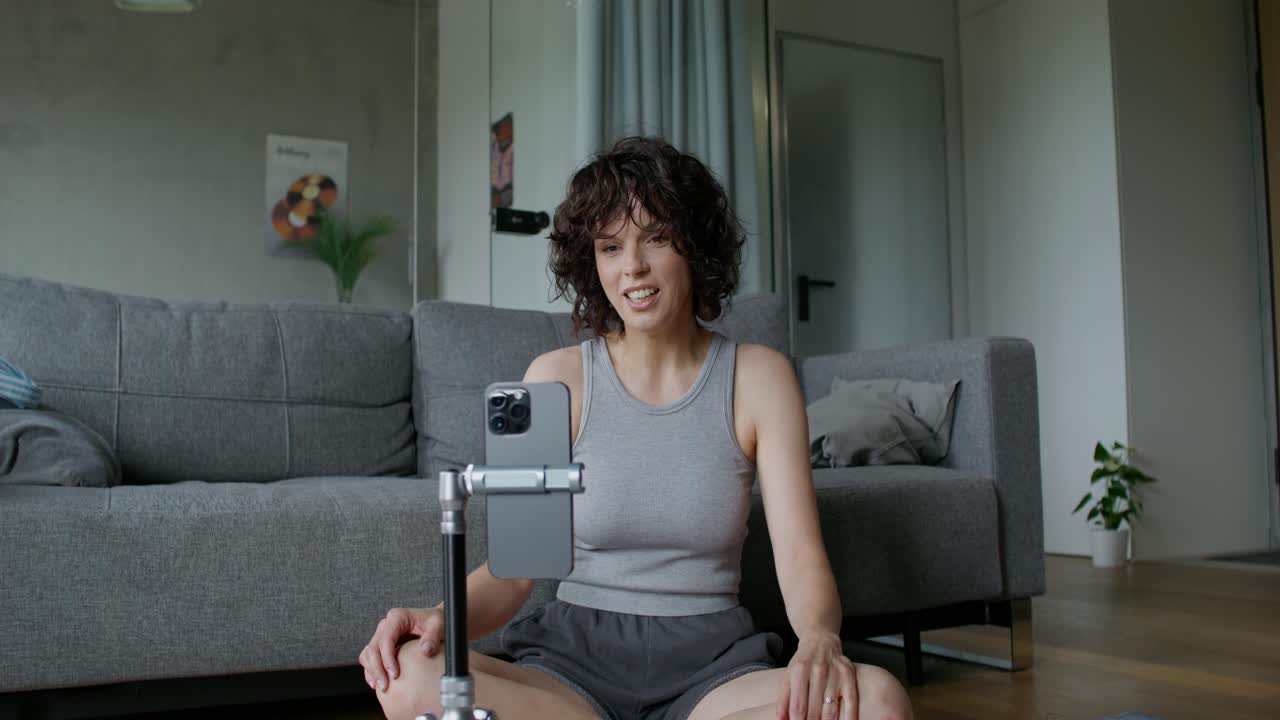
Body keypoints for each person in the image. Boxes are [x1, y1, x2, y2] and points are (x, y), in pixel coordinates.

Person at [359, 137, 913, 720]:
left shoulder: (759, 378)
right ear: (590, 262)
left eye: (656, 237)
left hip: (712, 669)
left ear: (694, 246)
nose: (633, 268)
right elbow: (515, 571)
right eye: (610, 247)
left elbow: (800, 557)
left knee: (878, 700)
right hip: (571, 670)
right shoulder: (553, 380)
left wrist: (820, 638)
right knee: (407, 681)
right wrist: (440, 617)